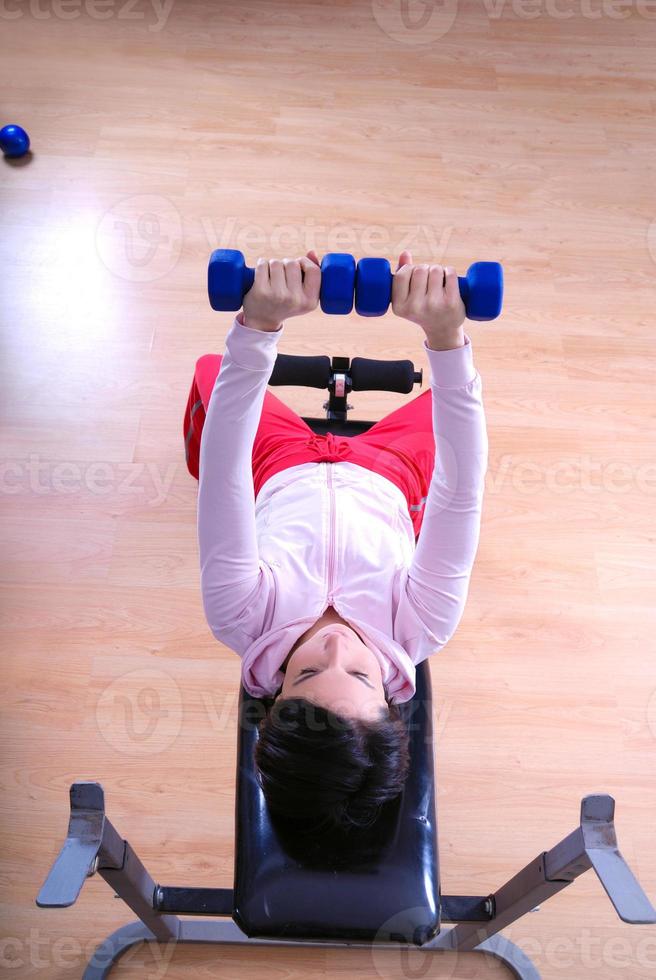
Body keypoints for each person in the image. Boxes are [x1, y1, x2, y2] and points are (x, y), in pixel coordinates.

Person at [183, 249, 488, 866]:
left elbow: (226, 476)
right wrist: (445, 336)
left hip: (280, 464)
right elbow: (462, 486)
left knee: (213, 372)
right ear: (393, 696)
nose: (335, 651)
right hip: (389, 474)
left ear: (271, 700)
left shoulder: (241, 617)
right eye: (359, 676)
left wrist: (259, 327)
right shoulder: (423, 624)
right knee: (460, 411)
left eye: (302, 676)